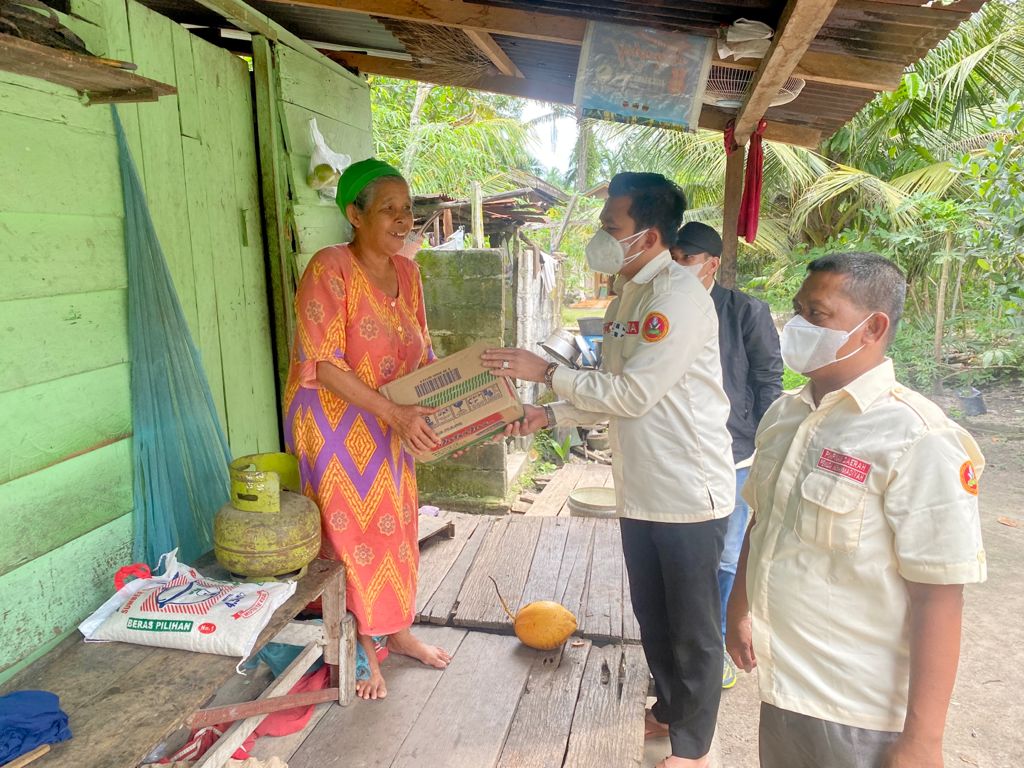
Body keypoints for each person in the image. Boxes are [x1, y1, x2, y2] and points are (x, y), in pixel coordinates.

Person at [482, 172, 735, 768]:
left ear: (646, 235)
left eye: (610, 227)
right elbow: (608, 391)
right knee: (653, 613)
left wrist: (544, 372)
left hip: (686, 487)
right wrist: (548, 414)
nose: (601, 237)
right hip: (641, 483)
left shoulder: (676, 296)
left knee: (692, 626)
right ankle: (670, 709)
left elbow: (634, 394)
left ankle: (693, 748)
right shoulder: (627, 297)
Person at [726, 253, 986, 768]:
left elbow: (938, 595)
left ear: (874, 328)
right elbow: (762, 520)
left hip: (860, 713)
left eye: (817, 314)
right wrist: (739, 608)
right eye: (797, 309)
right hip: (785, 689)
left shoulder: (919, 437)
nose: (796, 324)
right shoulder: (785, 415)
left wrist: (923, 741)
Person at [283, 158, 451, 701]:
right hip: (332, 422)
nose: (404, 220)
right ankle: (356, 645)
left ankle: (396, 632)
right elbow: (323, 365)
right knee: (348, 532)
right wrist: (394, 413)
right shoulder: (328, 268)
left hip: (390, 417)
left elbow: (422, 348)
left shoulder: (409, 272)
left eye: (408, 209)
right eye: (388, 209)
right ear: (355, 215)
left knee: (396, 524)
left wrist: (452, 401)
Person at [670, 222, 782, 690]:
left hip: (732, 454)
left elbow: (768, 378)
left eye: (685, 260)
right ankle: (683, 641)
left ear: (710, 264)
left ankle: (713, 646)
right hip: (678, 451)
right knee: (684, 551)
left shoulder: (745, 312)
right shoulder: (665, 309)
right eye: (671, 259)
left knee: (728, 553)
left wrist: (758, 441)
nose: (676, 268)